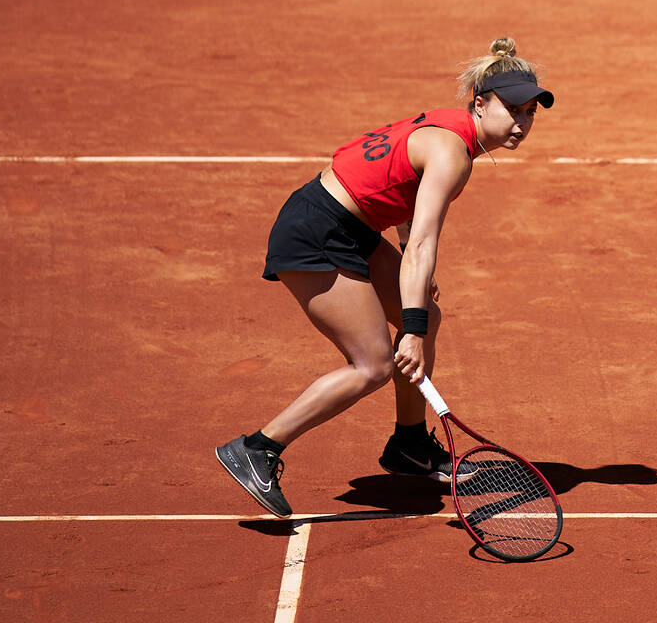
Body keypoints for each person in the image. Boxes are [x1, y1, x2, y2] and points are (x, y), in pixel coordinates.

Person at [215, 38, 552, 517]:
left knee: (427, 316)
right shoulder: (454, 153)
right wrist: (408, 328)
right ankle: (258, 447)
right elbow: (422, 246)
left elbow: (400, 191)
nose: (521, 122)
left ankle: (410, 445)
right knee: (373, 364)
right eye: (512, 109)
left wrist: (416, 310)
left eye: (530, 112)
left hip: (346, 223)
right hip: (316, 233)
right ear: (480, 104)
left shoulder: (449, 128)